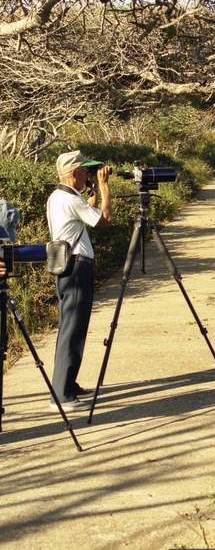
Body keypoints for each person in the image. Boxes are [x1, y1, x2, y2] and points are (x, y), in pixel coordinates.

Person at [46, 150, 112, 412]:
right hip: (75, 267)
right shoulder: (69, 199)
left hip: (66, 266)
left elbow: (88, 213)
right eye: (86, 172)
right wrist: (105, 187)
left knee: (72, 326)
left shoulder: (59, 197)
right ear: (74, 174)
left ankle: (68, 384)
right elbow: (104, 219)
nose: (89, 176)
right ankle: (61, 395)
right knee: (72, 328)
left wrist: (94, 190)